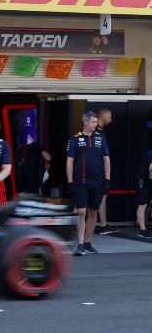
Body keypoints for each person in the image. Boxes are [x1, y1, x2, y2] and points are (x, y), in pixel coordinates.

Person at [66, 111, 110, 256]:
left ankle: (88, 242)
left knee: (93, 212)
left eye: (96, 122)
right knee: (81, 212)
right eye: (93, 122)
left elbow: (106, 159)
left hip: (97, 182)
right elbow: (70, 161)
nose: (95, 124)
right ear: (85, 122)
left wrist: (107, 179)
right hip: (80, 182)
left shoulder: (101, 137)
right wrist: (70, 181)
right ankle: (79, 244)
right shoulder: (75, 139)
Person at [95, 108, 120, 235]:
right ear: (102, 116)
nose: (111, 119)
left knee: (100, 197)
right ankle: (70, 224)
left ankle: (103, 225)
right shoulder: (95, 133)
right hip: (94, 172)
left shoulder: (99, 132)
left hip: (96, 172)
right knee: (87, 198)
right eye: (109, 117)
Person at [135, 161, 152, 238]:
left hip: (149, 179)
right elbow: (151, 170)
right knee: (142, 204)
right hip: (143, 179)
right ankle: (142, 230)